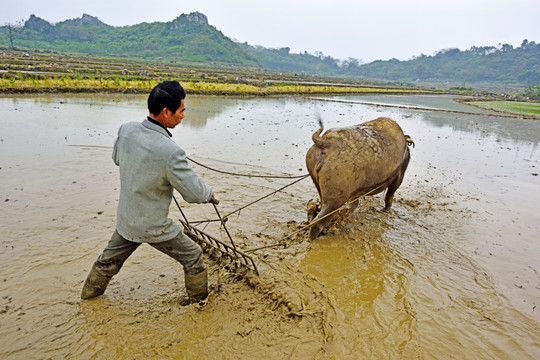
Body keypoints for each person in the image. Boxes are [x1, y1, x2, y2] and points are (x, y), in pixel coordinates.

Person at [81, 80, 217, 303]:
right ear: (166, 112)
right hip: (154, 226)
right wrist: (209, 194)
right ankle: (200, 305)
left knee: (107, 262)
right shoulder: (171, 152)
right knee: (193, 256)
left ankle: (87, 298)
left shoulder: (126, 130)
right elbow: (193, 192)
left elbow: (117, 159)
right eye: (181, 111)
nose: (183, 116)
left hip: (127, 220)